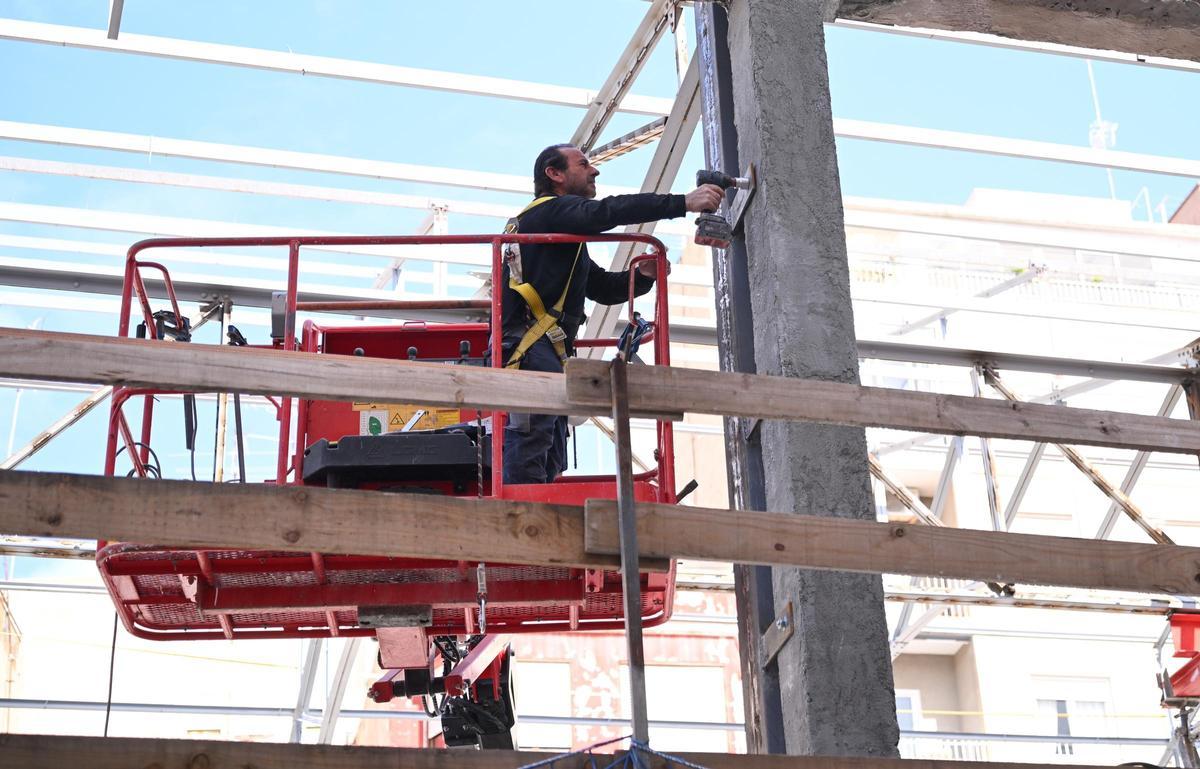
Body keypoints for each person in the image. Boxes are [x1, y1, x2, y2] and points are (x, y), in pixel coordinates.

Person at [500, 143, 723, 484]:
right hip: (529, 347)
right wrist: (683, 203)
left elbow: (601, 287)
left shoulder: (558, 233)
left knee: (550, 450)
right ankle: (523, 518)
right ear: (555, 174)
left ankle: (537, 514)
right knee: (533, 441)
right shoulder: (545, 213)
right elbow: (603, 213)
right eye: (583, 164)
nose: (594, 171)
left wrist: (642, 276)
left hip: (543, 349)